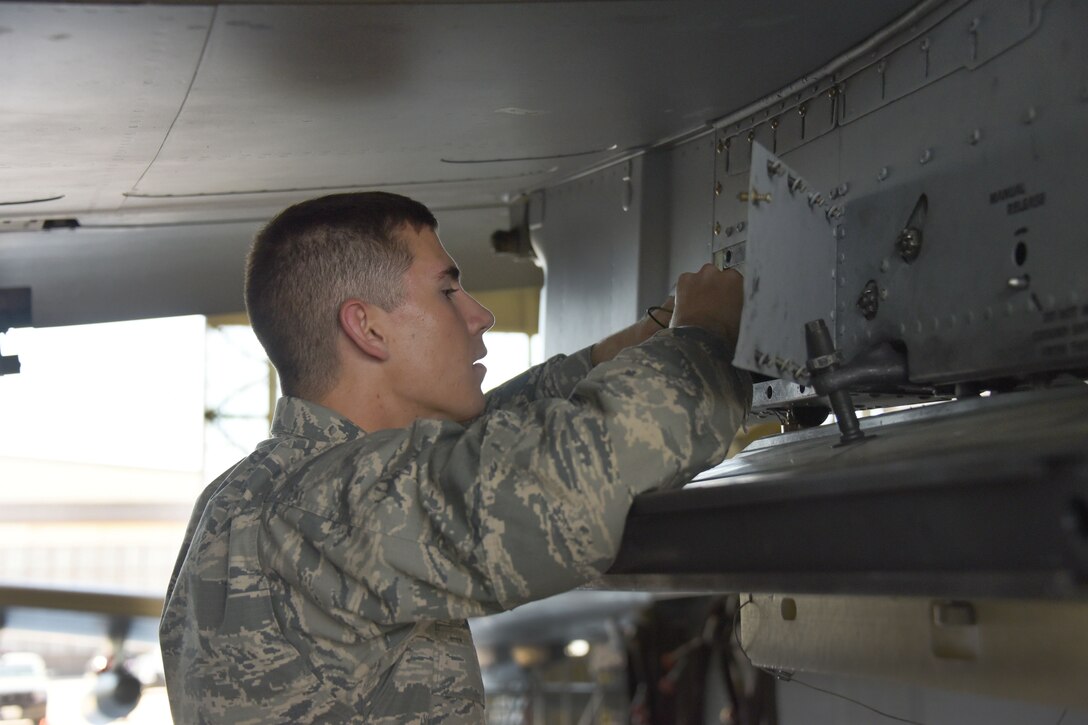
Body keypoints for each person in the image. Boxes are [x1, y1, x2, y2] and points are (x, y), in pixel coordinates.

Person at [160, 191, 749, 723]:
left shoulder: (252, 494)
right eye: (447, 290)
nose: (480, 315)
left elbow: (476, 448)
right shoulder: (326, 507)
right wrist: (700, 339)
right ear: (366, 327)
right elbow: (564, 485)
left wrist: (628, 346)